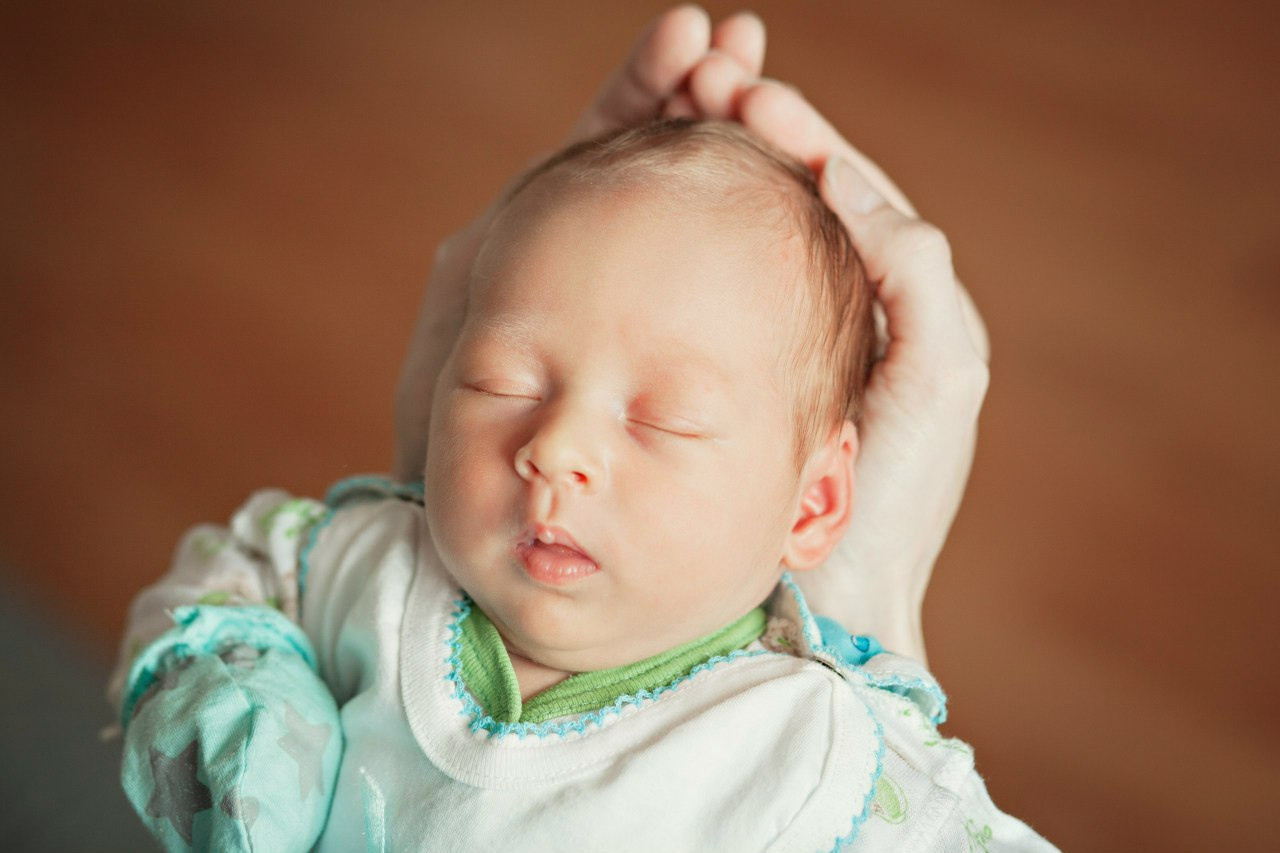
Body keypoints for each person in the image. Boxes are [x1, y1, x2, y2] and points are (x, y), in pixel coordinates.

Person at [109, 8, 1045, 852]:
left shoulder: (812, 758)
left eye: (664, 419)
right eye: (502, 380)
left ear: (817, 499)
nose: (554, 448)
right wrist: (245, 709)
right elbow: (230, 581)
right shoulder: (376, 567)